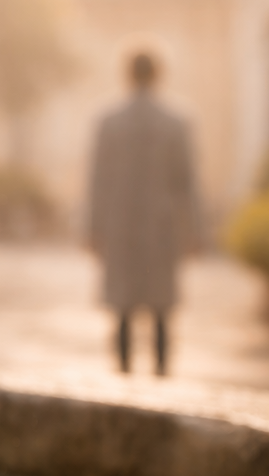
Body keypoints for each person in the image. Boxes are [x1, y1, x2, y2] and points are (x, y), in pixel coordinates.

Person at [87, 51, 202, 375]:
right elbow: (187, 182)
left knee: (123, 310)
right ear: (158, 74)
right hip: (161, 226)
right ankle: (161, 377)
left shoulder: (109, 122)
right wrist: (194, 231)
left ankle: (124, 376)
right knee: (161, 310)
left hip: (119, 223)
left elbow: (98, 180)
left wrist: (92, 228)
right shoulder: (175, 122)